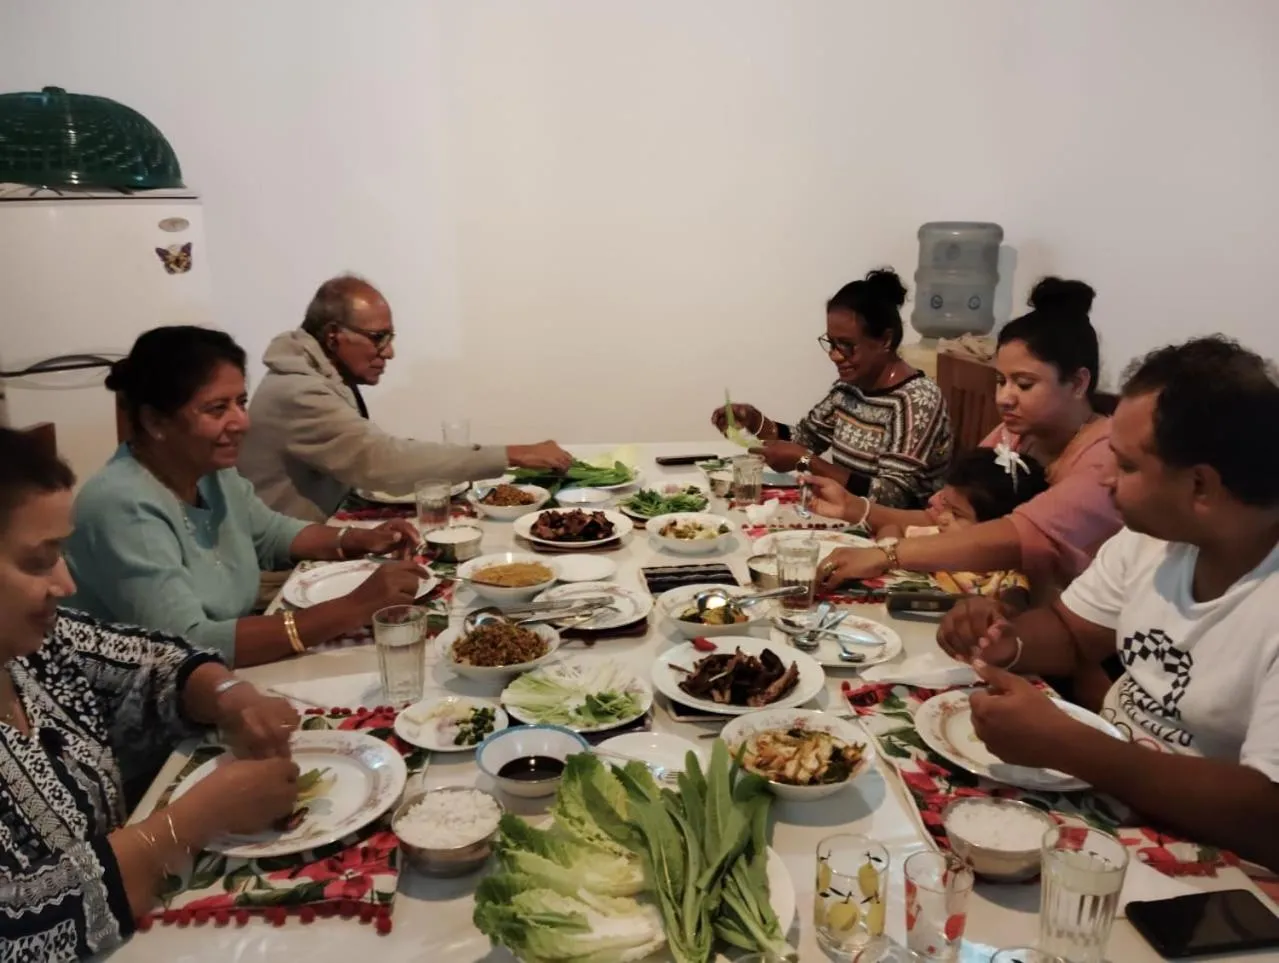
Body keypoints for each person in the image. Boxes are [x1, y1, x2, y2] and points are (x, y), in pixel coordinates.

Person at [938, 336, 1279, 871]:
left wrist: (1071, 747)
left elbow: (1267, 816)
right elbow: (1071, 631)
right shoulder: (1151, 538)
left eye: (1126, 465)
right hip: (1107, 795)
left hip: (1212, 867)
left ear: (1201, 486)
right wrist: (1006, 640)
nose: (1104, 477)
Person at [0, 427, 302, 961]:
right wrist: (193, 821)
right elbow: (16, 929)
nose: (66, 585)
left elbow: (152, 659)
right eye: (38, 561)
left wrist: (229, 693)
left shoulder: (35, 649)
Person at [65, 326, 429, 668]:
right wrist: (353, 607)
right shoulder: (121, 506)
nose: (242, 422)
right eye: (217, 409)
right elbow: (184, 645)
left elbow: (270, 532)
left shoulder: (209, 470)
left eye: (241, 402)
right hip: (146, 698)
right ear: (155, 422)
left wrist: (357, 538)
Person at [810, 278, 1121, 600]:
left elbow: (1019, 536)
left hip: (1059, 615)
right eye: (1001, 381)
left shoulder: (1107, 455)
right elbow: (940, 515)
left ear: (1078, 383)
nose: (1004, 398)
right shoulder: (1014, 434)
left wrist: (888, 555)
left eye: (1024, 384)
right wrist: (854, 507)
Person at [238, 275, 575, 521]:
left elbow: (377, 453)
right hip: (285, 568)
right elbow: (381, 462)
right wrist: (512, 454)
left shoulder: (317, 375)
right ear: (333, 336)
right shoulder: (298, 392)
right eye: (378, 338)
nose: (389, 352)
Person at [710, 269, 952, 508]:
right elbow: (804, 440)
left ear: (885, 341)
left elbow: (893, 497)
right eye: (831, 343)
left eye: (846, 345)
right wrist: (754, 421)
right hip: (850, 515)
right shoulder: (849, 389)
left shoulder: (915, 400)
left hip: (901, 527)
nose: (834, 356)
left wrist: (807, 461)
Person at [864, 446, 1049, 604]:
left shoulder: (1005, 576)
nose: (942, 518)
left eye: (956, 514)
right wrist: (887, 550)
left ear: (995, 527)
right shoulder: (936, 538)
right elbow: (891, 528)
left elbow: (1012, 608)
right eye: (945, 507)